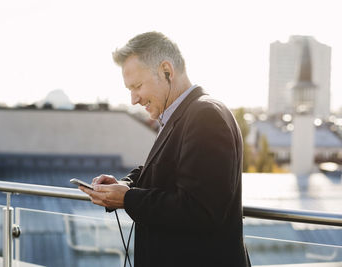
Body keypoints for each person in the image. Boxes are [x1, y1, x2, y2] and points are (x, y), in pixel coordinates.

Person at [79, 31, 251, 267]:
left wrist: (128, 198)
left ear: (167, 71)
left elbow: (200, 211)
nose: (133, 100)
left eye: (137, 86)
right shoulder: (183, 114)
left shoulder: (205, 116)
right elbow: (162, 170)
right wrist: (125, 185)